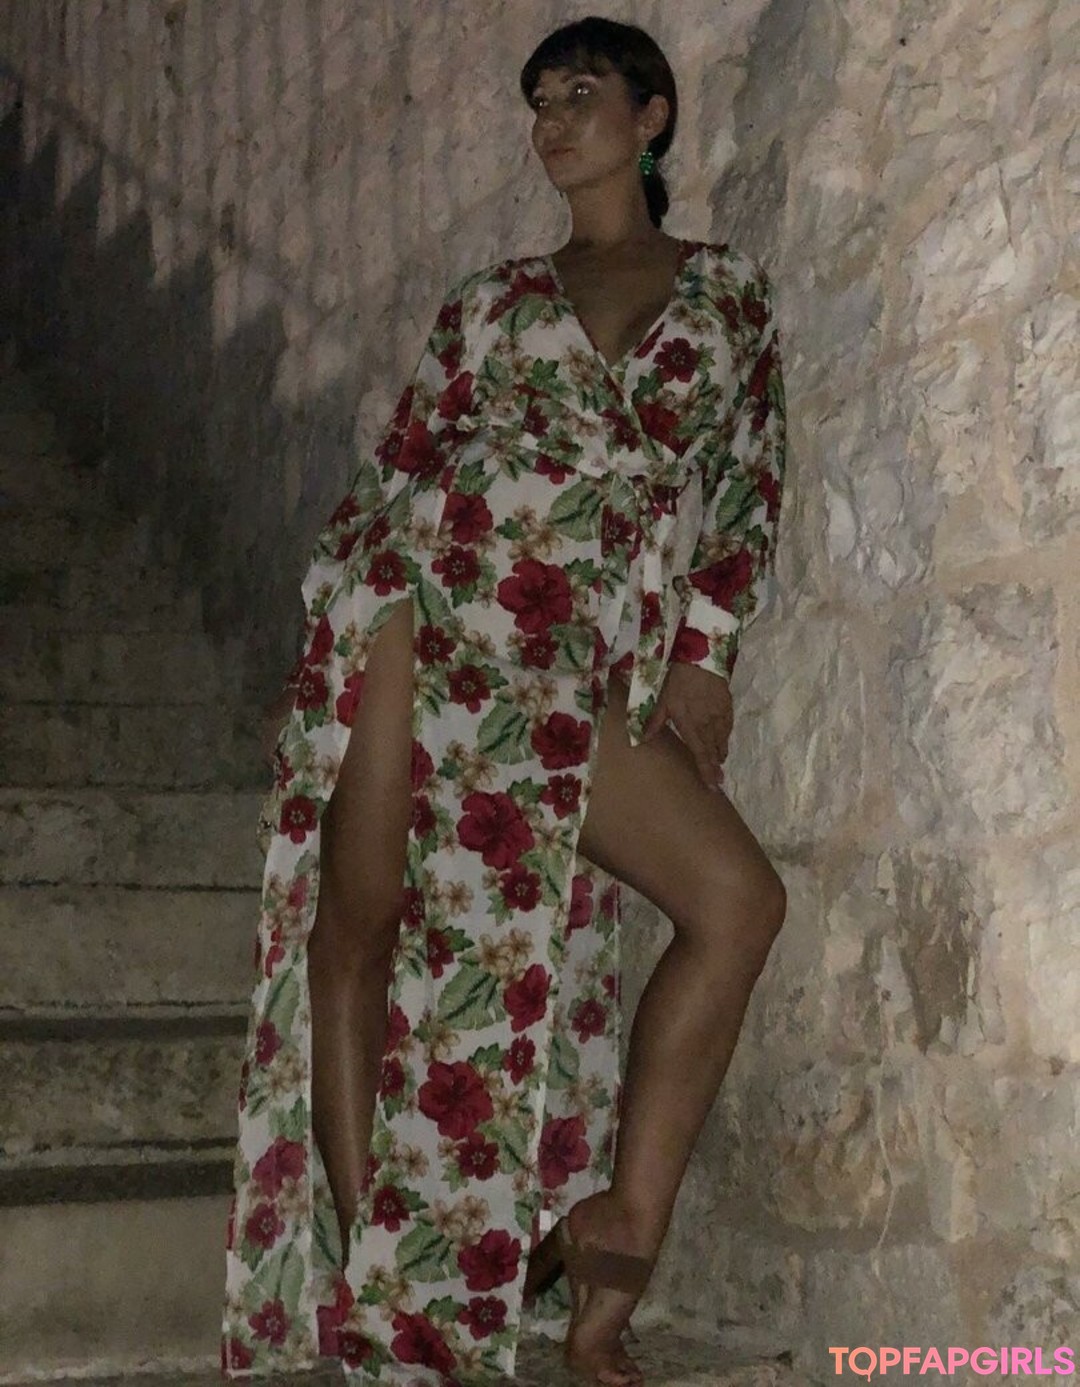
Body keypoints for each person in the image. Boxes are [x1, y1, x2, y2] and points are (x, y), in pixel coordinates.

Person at [223, 15, 787, 1387]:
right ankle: (382, 1286)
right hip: (425, 608)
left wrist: (704, 656)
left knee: (737, 905)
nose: (552, 119)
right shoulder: (487, 302)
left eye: (581, 91)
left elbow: (747, 489)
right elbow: (403, 466)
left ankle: (616, 1235)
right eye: (540, 100)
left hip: (577, 659)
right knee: (360, 926)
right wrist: (340, 646)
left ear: (653, 118)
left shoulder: (728, 294)